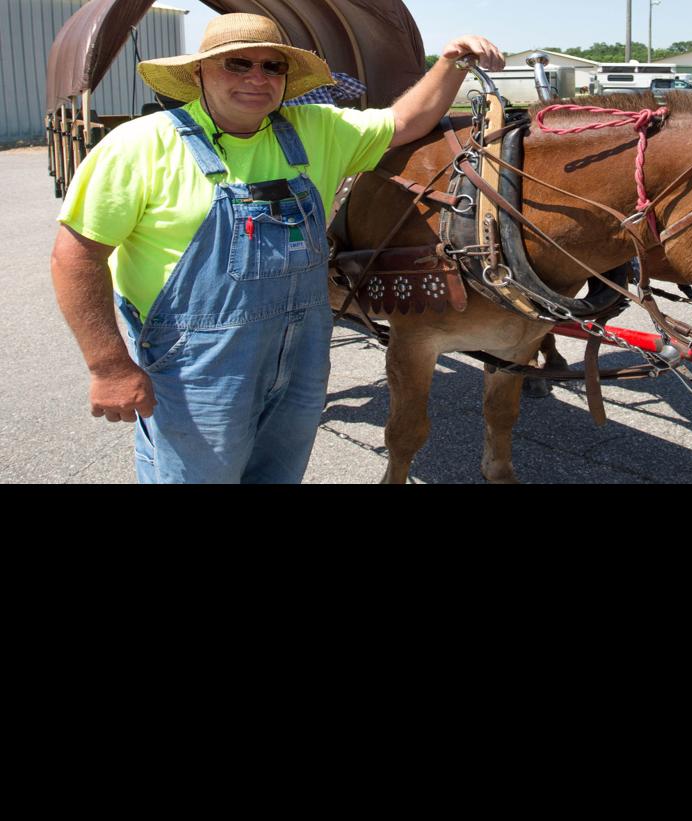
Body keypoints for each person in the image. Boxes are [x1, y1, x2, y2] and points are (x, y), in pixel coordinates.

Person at [50, 14, 503, 483]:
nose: (256, 78)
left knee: (278, 474)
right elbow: (76, 256)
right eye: (237, 63)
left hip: (303, 353)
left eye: (273, 67)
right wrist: (108, 366)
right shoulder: (140, 146)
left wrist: (452, 62)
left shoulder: (317, 129)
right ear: (198, 73)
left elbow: (407, 121)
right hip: (198, 363)